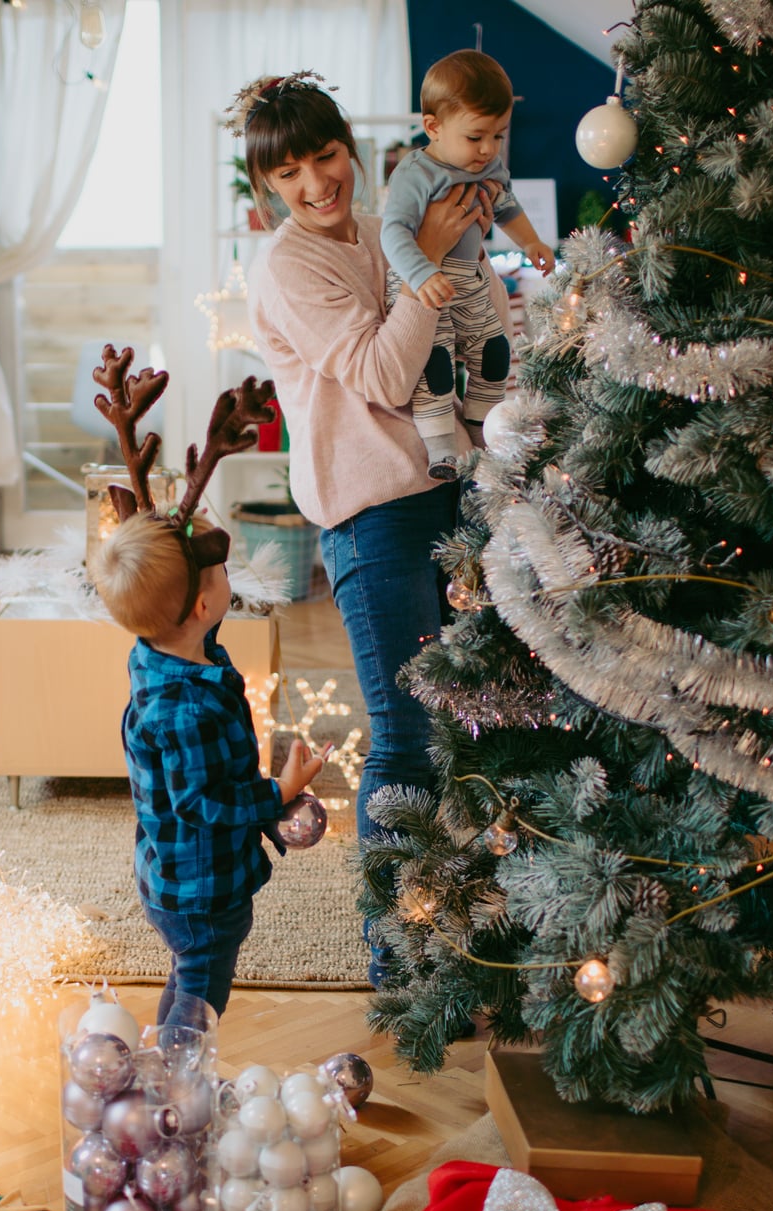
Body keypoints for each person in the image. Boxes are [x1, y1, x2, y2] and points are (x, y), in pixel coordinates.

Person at [239, 72, 507, 983]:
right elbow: (387, 378)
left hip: (450, 491)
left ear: (347, 148)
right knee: (401, 732)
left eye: (326, 157)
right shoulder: (286, 265)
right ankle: (394, 957)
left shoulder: (374, 228)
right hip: (371, 517)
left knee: (468, 722)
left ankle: (460, 927)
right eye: (290, 175)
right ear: (267, 187)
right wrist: (425, 260)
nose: (318, 184)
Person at [90, 357, 325, 1029]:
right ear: (200, 606)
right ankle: (176, 1079)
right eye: (221, 571)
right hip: (200, 888)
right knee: (202, 987)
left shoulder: (168, 659)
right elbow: (202, 801)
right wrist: (278, 791)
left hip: (181, 875)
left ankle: (168, 1060)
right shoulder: (185, 706)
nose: (229, 573)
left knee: (190, 974)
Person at [380, 50, 556, 478]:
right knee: (434, 363)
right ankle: (441, 448)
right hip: (423, 282)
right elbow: (393, 233)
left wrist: (530, 240)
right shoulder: (416, 174)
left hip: (470, 281)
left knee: (494, 351)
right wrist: (423, 274)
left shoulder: (490, 167)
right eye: (476, 137)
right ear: (433, 127)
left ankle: (483, 431)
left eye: (498, 136)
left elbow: (506, 205)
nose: (488, 149)